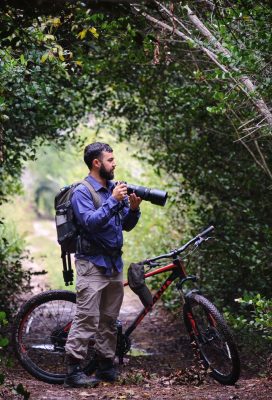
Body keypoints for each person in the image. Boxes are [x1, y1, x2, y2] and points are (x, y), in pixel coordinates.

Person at [64, 142, 141, 388]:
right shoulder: (82, 192)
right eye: (110, 159)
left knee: (108, 318)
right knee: (87, 317)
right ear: (96, 163)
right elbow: (90, 223)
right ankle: (73, 371)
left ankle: (106, 365)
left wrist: (134, 210)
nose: (114, 163)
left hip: (113, 263)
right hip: (91, 264)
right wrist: (113, 201)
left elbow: (125, 226)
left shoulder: (112, 189)